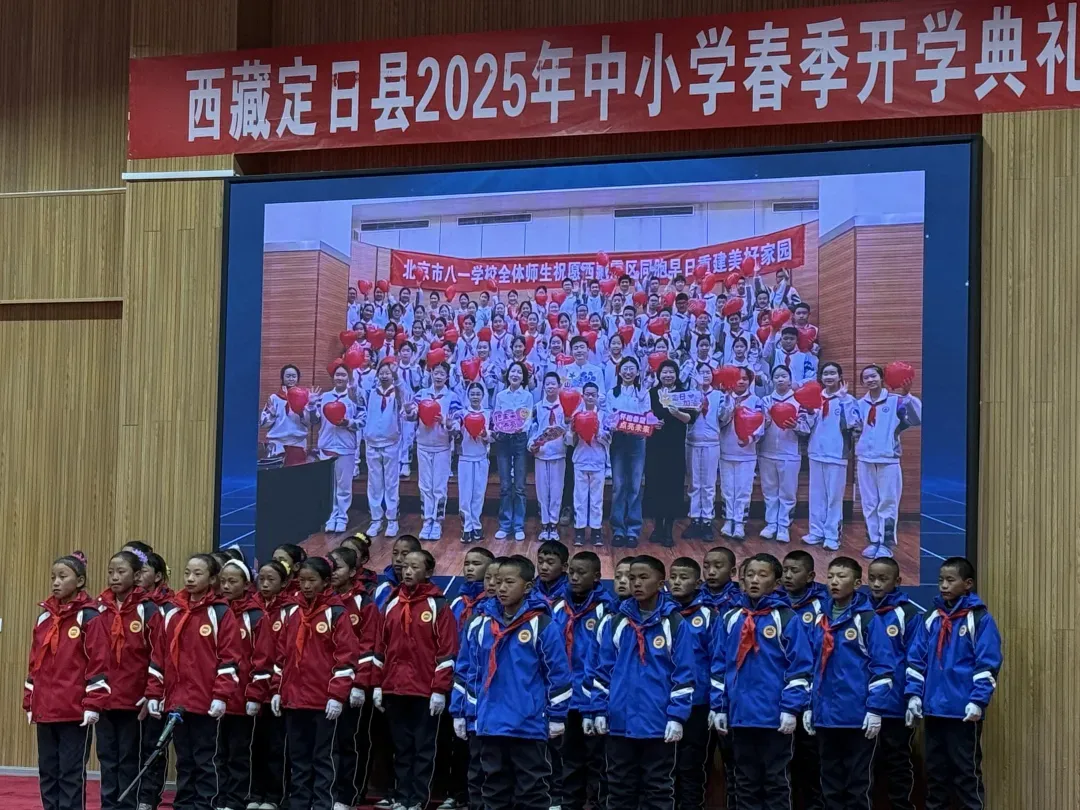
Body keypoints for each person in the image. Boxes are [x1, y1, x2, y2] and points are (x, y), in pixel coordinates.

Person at [454, 555, 572, 810]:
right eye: (498, 582)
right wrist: (461, 712)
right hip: (490, 723)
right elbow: (467, 670)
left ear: (527, 587)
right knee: (493, 790)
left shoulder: (542, 624)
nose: (501, 588)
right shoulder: (479, 623)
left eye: (509, 582)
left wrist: (557, 716)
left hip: (528, 724)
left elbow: (558, 674)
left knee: (532, 791)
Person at [588, 555, 695, 810]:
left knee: (658, 790)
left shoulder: (674, 623)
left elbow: (684, 675)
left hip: (658, 724)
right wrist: (599, 710)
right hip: (620, 723)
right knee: (619, 788)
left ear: (660, 583)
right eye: (632, 577)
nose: (635, 583)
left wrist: (677, 717)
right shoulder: (617, 622)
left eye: (643, 578)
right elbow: (603, 670)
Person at [709, 553, 813, 810]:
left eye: (762, 575)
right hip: (740, 715)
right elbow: (719, 664)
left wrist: (790, 709)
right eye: (749, 575)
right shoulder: (730, 617)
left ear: (776, 583)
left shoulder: (786, 618)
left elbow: (800, 667)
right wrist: (719, 707)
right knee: (745, 781)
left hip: (774, 716)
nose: (754, 580)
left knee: (775, 781)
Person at [146, 554, 245, 810]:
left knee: (206, 760)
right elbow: (158, 657)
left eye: (198, 574)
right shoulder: (171, 611)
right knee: (185, 761)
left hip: (206, 702)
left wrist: (221, 696)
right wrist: (154, 694)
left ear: (212, 579)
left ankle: (205, 805)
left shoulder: (220, 613)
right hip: (177, 701)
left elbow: (230, 659)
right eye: (187, 573)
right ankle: (184, 805)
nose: (190, 578)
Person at [905, 557, 1002, 810]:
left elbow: (987, 664)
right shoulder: (931, 617)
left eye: (950, 580)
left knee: (966, 774)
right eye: (940, 580)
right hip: (934, 710)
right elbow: (916, 659)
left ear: (967, 584)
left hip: (963, 713)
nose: (944, 586)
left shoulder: (979, 619)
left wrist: (978, 701)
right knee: (935, 775)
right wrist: (914, 695)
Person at [271, 556, 361, 810]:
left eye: (312, 580)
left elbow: (346, 657)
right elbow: (281, 655)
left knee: (323, 758)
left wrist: (337, 696)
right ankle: (299, 803)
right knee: (298, 758)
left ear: (325, 582)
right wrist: (277, 689)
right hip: (293, 698)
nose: (306, 586)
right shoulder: (291, 611)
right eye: (302, 581)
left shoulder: (337, 612)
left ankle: (323, 804)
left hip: (323, 701)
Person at [804, 557, 893, 810]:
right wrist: (809, 706)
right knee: (830, 785)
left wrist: (875, 709)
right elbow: (809, 665)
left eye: (841, 577)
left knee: (857, 786)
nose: (834, 581)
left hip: (857, 717)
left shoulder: (868, 619)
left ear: (856, 583)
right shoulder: (819, 618)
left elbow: (883, 668)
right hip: (825, 717)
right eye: (830, 576)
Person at [373, 550, 459, 810]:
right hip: (394, 688)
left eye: (414, 567)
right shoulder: (391, 602)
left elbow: (447, 651)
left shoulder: (439, 605)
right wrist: (377, 685)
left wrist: (439, 690)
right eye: (404, 567)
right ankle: (402, 797)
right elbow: (380, 647)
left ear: (429, 572)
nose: (407, 571)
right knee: (401, 747)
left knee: (423, 748)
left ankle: (419, 799)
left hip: (425, 690)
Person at [26, 552, 108, 810]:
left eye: (63, 577)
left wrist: (93, 703)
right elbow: (34, 664)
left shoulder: (90, 617)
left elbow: (98, 662)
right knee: (48, 771)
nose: (56, 582)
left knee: (70, 773)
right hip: (45, 709)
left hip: (74, 711)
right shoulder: (44, 618)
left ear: (80, 581)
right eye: (53, 577)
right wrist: (30, 700)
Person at [93, 550, 157, 810]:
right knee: (107, 756)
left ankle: (127, 805)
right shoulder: (98, 609)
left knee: (130, 757)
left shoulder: (148, 609)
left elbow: (158, 654)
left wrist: (152, 692)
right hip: (104, 697)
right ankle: (108, 805)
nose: (114, 577)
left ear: (137, 575)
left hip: (134, 698)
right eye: (111, 572)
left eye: (121, 572)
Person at [553, 552, 616, 810]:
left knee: (598, 760)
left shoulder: (607, 610)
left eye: (582, 573)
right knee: (569, 758)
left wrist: (598, 701)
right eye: (571, 572)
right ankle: (569, 804)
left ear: (597, 576)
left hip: (594, 699)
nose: (574, 578)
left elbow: (606, 658)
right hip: (566, 699)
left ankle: (598, 804)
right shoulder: (557, 607)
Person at [866, 557, 923, 810]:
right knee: (864, 767)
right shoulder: (860, 611)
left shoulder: (908, 614)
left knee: (897, 763)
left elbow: (916, 658)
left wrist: (912, 695)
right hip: (865, 706)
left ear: (897, 581)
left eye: (883, 579)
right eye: (872, 578)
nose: (876, 584)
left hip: (895, 706)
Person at [330, 547, 382, 810]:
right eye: (329, 566)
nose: (332, 572)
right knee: (324, 745)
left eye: (338, 567)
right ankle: (324, 793)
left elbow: (369, 646)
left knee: (348, 742)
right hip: (323, 686)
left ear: (353, 572)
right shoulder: (321, 601)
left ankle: (347, 796)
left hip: (352, 686)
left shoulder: (364, 603)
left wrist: (359, 684)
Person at [852, 364, 922, 559]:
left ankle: (886, 543)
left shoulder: (896, 401)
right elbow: (854, 428)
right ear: (862, 382)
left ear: (881, 378)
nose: (870, 380)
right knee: (869, 503)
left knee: (888, 502)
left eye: (873, 376)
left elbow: (916, 420)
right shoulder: (859, 404)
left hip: (888, 459)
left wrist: (907, 395)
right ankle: (873, 540)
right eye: (866, 377)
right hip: (864, 459)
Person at [215, 559, 264, 810]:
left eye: (232, 581)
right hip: (215, 697)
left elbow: (261, 659)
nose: (226, 586)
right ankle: (218, 798)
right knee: (217, 754)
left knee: (238, 753)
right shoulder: (215, 613)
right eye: (222, 581)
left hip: (242, 698)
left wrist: (254, 695)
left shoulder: (255, 616)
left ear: (246, 585)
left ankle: (235, 801)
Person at [782, 550, 828, 810]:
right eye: (785, 570)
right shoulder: (773, 604)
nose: (788, 575)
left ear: (810, 576)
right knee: (782, 765)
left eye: (794, 571)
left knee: (810, 763)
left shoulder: (822, 606)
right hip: (781, 698)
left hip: (813, 696)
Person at [667, 558, 715, 810]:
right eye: (673, 576)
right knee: (664, 765)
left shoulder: (708, 615)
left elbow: (718, 659)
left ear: (697, 583)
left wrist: (716, 703)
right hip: (664, 701)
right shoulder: (661, 613)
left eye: (683, 578)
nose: (676, 582)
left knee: (691, 764)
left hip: (697, 702)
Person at [797, 362, 859, 551]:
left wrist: (843, 400)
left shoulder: (848, 399)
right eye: (825, 374)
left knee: (834, 497)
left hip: (836, 454)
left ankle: (832, 535)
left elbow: (852, 424)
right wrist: (809, 411)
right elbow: (806, 428)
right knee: (816, 496)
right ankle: (816, 532)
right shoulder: (815, 398)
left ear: (840, 377)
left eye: (833, 373)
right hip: (816, 452)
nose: (829, 377)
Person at [247, 559, 292, 810]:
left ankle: (274, 796)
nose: (264, 584)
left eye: (271, 580)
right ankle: (255, 794)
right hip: (253, 687)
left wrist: (276, 686)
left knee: (276, 746)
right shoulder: (250, 607)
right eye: (261, 579)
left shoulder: (289, 610)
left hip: (277, 687)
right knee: (254, 745)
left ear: (284, 583)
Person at [309, 363, 365, 533]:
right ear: (333, 377)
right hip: (326, 447)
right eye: (337, 375)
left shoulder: (354, 398)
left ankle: (342, 517)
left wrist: (348, 423)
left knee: (344, 486)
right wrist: (311, 406)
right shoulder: (324, 397)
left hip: (346, 448)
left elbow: (362, 420)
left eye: (343, 375)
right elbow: (314, 421)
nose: (339, 378)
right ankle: (330, 517)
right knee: (329, 486)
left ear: (348, 378)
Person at [411, 362, 462, 541]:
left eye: (442, 373)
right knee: (425, 485)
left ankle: (438, 521)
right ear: (431, 373)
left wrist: (446, 422)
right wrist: (408, 409)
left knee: (439, 486)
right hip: (423, 445)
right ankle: (427, 520)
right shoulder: (421, 394)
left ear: (447, 377)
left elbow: (458, 422)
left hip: (442, 447)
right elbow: (411, 416)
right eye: (436, 373)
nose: (439, 376)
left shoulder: (452, 397)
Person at [645, 359, 692, 547]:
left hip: (675, 446)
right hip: (655, 445)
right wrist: (651, 421)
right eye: (664, 372)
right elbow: (645, 413)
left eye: (671, 372)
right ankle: (657, 526)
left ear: (677, 374)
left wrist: (676, 413)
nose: (668, 375)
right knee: (656, 485)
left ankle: (668, 529)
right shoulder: (652, 393)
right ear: (659, 375)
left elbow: (689, 418)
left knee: (673, 487)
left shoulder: (683, 394)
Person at [608, 356, 652, 548]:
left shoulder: (643, 392)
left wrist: (651, 421)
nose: (628, 372)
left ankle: (633, 530)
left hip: (637, 440)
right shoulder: (612, 393)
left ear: (637, 372)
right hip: (618, 440)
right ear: (619, 372)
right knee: (618, 486)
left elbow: (647, 415)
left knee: (635, 486)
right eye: (625, 368)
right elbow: (608, 417)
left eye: (632, 368)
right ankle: (618, 529)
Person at [685, 363, 731, 541]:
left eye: (707, 372)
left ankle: (707, 521)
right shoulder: (690, 394)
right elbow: (686, 417)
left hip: (712, 442)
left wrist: (728, 400)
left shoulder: (719, 395)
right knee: (694, 483)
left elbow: (724, 418)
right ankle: (694, 519)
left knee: (709, 484)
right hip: (692, 441)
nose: (704, 375)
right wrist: (697, 390)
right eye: (701, 372)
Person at [718, 367, 763, 540]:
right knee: (728, 489)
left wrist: (749, 439)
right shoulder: (725, 397)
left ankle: (740, 523)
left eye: (745, 378)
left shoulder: (756, 400)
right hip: (726, 450)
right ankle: (728, 520)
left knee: (744, 490)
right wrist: (730, 406)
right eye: (738, 378)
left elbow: (760, 424)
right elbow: (720, 420)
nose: (741, 381)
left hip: (747, 453)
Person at [364, 359, 406, 538]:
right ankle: (376, 519)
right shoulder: (371, 392)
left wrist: (396, 376)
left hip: (391, 442)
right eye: (381, 372)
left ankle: (392, 519)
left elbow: (404, 396)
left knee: (391, 483)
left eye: (387, 372)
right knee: (374, 484)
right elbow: (355, 396)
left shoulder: (397, 393)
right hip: (372, 442)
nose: (384, 375)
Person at [493, 361, 534, 541]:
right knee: (504, 485)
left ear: (523, 377)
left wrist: (520, 428)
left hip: (519, 439)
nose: (515, 375)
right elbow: (497, 416)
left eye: (519, 372)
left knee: (519, 486)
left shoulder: (527, 396)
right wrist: (499, 427)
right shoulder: (501, 395)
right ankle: (505, 525)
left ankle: (518, 525)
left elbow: (528, 418)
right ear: (508, 375)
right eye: (513, 371)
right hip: (503, 440)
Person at [569, 381, 610, 546]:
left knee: (596, 499)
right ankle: (579, 530)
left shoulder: (603, 415)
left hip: (598, 460)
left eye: (593, 394)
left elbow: (609, 439)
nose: (590, 397)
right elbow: (569, 441)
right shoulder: (576, 414)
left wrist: (597, 430)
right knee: (579, 497)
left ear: (598, 396)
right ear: (583, 396)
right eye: (587, 394)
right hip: (580, 459)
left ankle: (596, 531)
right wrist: (573, 430)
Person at [530, 372, 570, 542]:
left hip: (559, 454)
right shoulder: (537, 407)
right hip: (541, 454)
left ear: (559, 386)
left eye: (554, 383)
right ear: (544, 386)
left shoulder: (565, 407)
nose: (550, 386)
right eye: (547, 384)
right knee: (542, 491)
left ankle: (553, 525)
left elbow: (569, 431)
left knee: (556, 491)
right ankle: (544, 523)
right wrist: (532, 444)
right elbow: (532, 429)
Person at [458, 382, 492, 544]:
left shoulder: (488, 413)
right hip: (465, 458)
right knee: (465, 495)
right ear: (468, 396)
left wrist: (485, 434)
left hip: (481, 457)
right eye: (472, 394)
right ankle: (466, 527)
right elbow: (455, 432)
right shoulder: (461, 414)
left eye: (478, 394)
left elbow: (491, 438)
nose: (475, 397)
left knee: (478, 494)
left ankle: (476, 525)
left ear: (483, 396)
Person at [260, 364, 312, 465]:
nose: (291, 379)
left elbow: (310, 422)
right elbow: (263, 423)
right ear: (282, 378)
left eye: (294, 376)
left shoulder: (306, 397)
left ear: (298, 378)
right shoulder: (274, 398)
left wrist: (301, 413)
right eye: (288, 376)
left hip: (298, 443)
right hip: (277, 443)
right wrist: (272, 413)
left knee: (296, 473)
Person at [373, 535, 421, 610]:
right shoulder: (381, 589)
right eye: (395, 553)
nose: (398, 559)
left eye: (404, 554)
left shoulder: (427, 592)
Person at [536, 539, 571, 604]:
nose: (543, 567)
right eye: (540, 561)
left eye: (550, 563)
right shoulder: (534, 585)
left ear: (564, 567)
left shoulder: (571, 590)